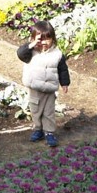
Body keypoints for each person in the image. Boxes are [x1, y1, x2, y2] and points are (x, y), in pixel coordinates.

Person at [17, 20, 70, 148]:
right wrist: (31, 45)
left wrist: (65, 83)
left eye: (48, 39)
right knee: (36, 110)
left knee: (48, 112)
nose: (44, 42)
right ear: (33, 39)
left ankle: (49, 133)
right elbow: (20, 53)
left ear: (53, 39)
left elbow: (63, 69)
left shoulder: (57, 54)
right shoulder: (30, 52)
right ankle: (38, 129)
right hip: (35, 88)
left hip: (49, 90)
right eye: (40, 39)